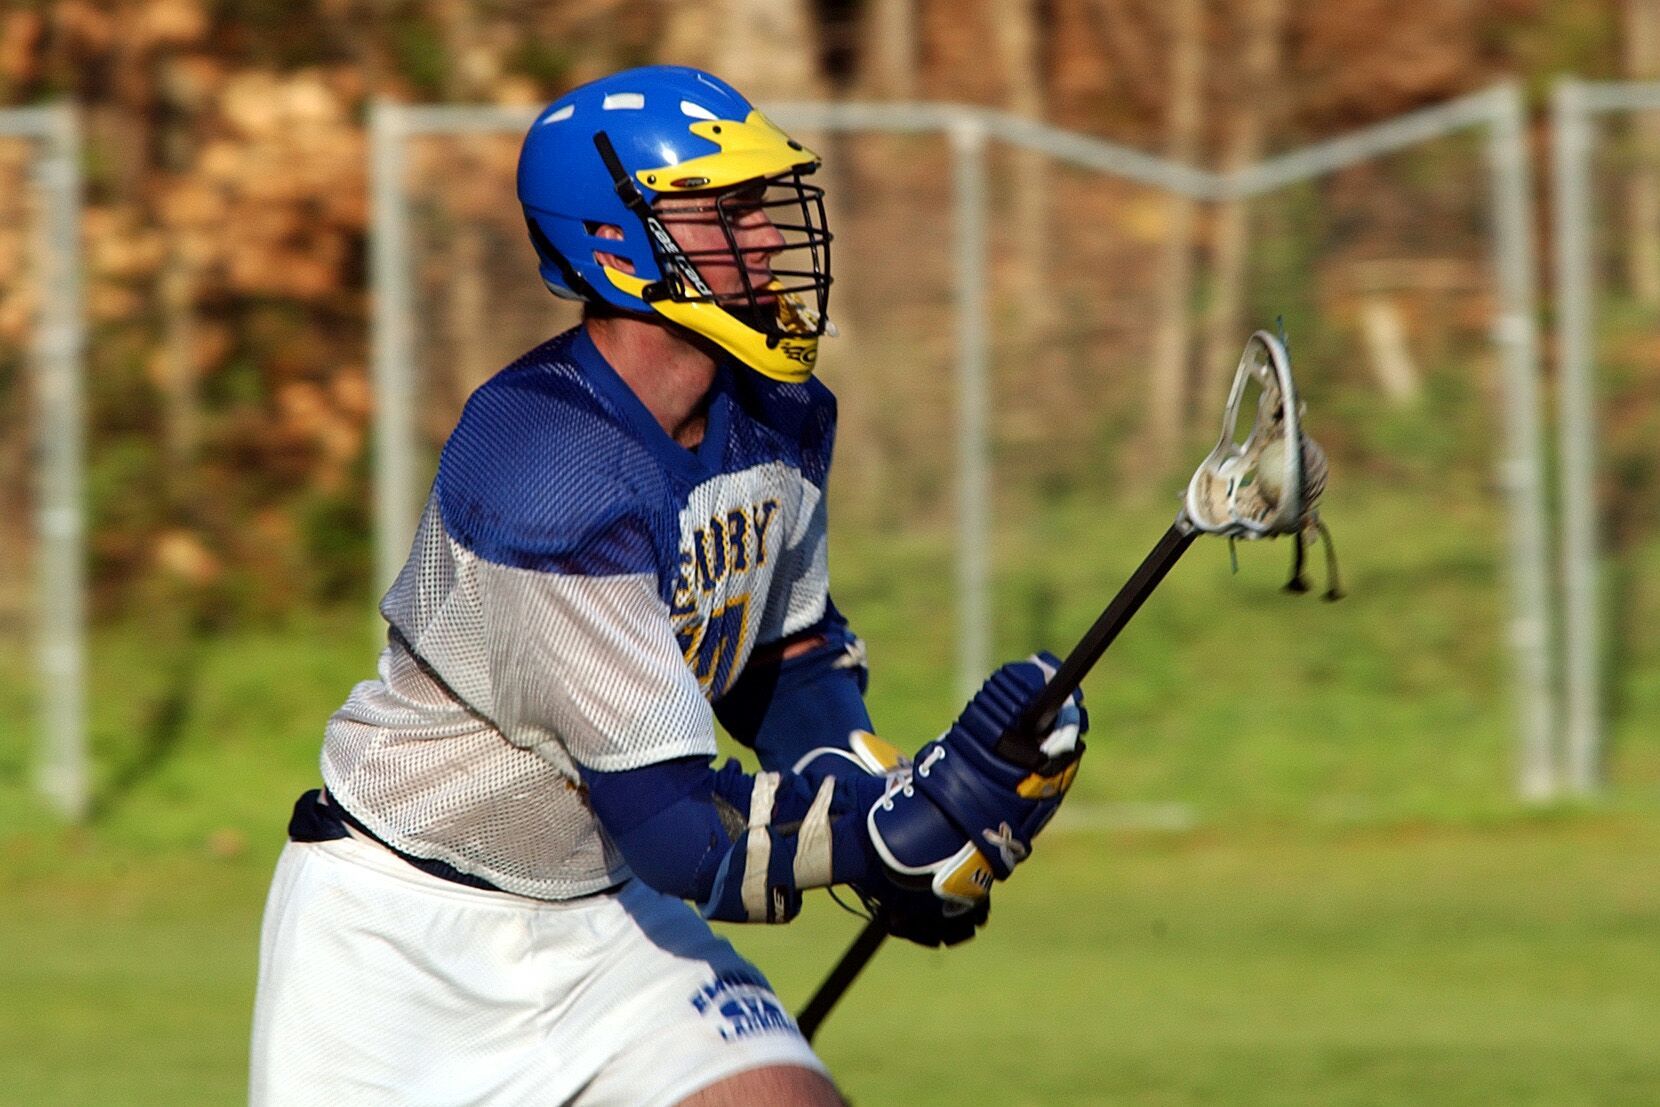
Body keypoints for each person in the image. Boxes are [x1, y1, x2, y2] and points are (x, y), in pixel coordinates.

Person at [249, 65, 1086, 1107]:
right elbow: (678, 828)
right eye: (727, 210)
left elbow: (784, 660)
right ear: (615, 244)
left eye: (762, 204)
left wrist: (882, 793)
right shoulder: (544, 464)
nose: (767, 238)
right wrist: (886, 836)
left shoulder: (777, 411)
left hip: (609, 915)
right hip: (401, 937)